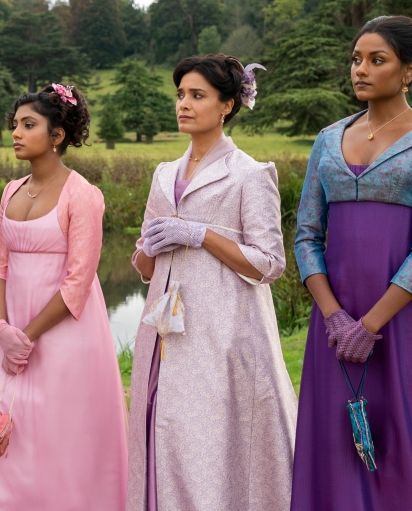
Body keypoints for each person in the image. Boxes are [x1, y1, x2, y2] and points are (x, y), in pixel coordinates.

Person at [291, 16, 412, 510]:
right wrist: (335, 317)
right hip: (334, 320)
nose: (361, 70)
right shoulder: (328, 138)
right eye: (356, 59)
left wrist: (370, 325)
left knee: (406, 437)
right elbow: (306, 235)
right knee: (336, 437)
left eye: (377, 60)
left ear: (409, 70)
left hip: (404, 317)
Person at [126, 54, 298, 511]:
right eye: (181, 94)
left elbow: (269, 264)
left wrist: (201, 235)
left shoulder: (250, 174)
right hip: (164, 336)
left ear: (227, 105)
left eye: (197, 95)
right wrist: (150, 247)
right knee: (166, 431)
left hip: (226, 334)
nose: (184, 103)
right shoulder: (163, 174)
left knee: (214, 439)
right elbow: (144, 269)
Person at [0, 84, 128, 510]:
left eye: (28, 125)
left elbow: (78, 282)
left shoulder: (83, 195)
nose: (15, 133)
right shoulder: (10, 191)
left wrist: (28, 335)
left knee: (57, 437)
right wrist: (3, 331)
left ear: (57, 136)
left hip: (64, 337)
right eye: (14, 124)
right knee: (2, 432)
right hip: (11, 336)